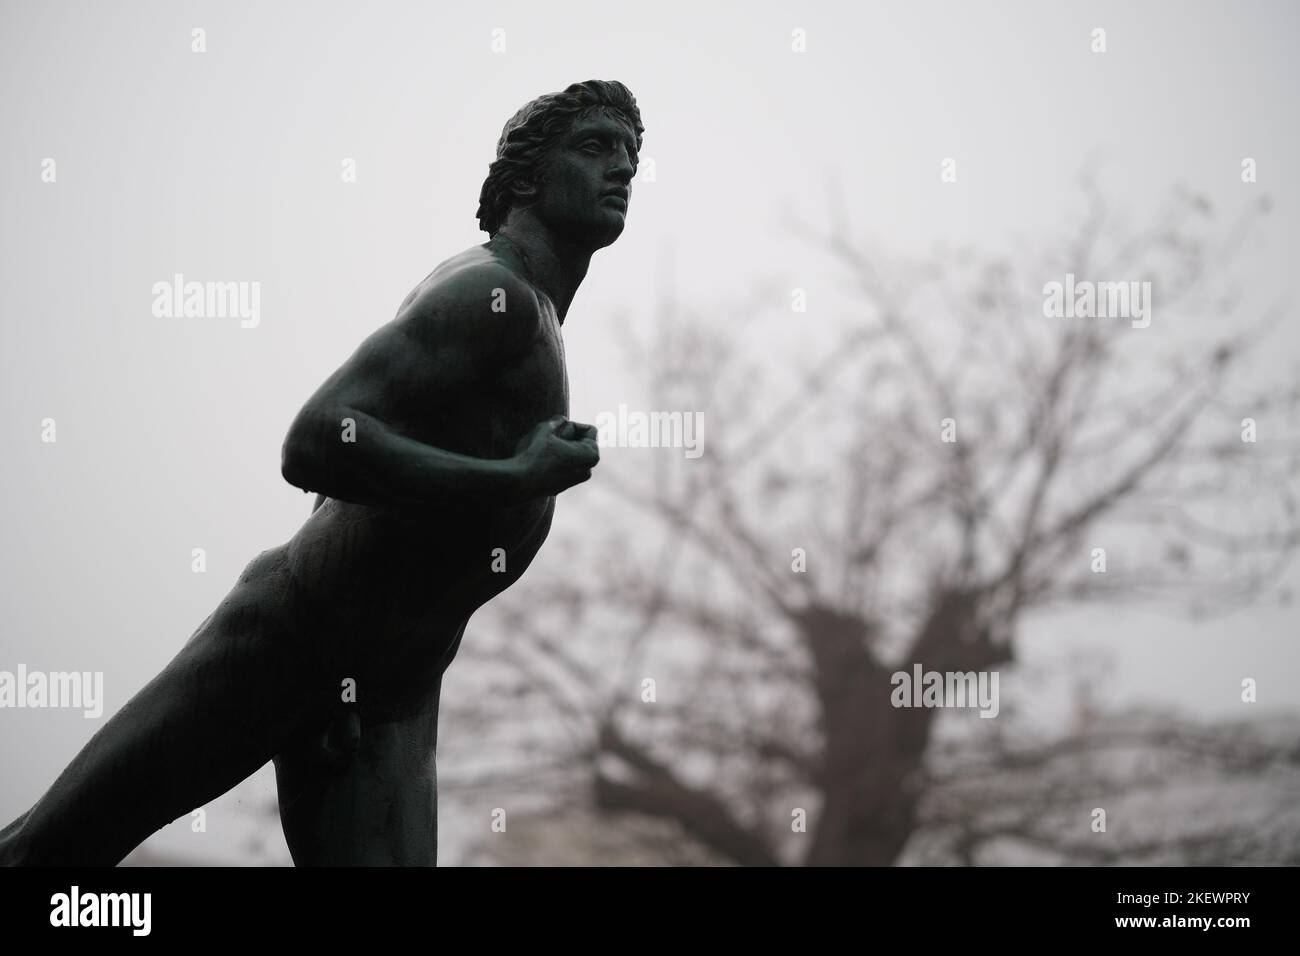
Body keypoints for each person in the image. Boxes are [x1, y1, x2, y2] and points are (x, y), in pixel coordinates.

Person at [0, 79, 643, 866]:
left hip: (386, 695)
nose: (623, 168)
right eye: (595, 146)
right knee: (47, 858)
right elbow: (316, 442)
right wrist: (517, 477)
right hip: (291, 638)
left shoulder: (538, 319)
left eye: (631, 154)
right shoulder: (489, 294)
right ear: (524, 181)